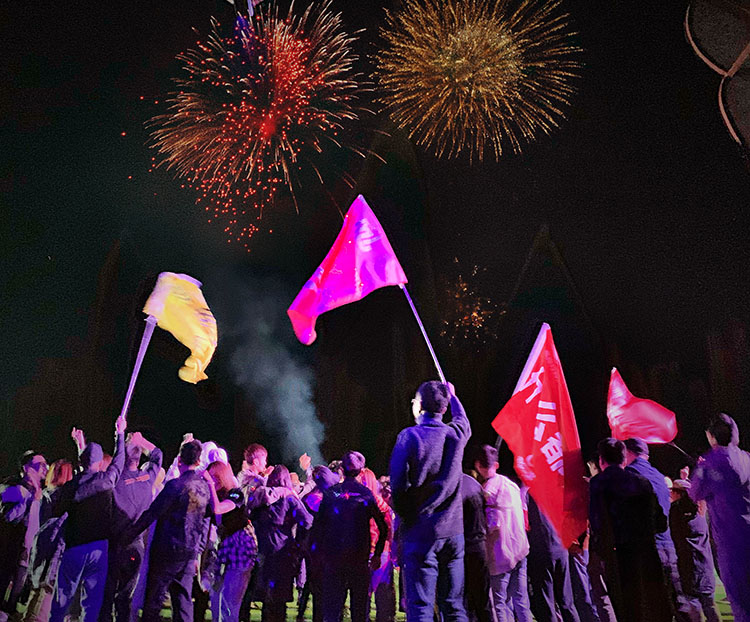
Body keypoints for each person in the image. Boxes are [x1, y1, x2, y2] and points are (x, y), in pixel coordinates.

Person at [389, 381, 471, 622]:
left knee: (420, 606)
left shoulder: (409, 436)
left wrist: (407, 521)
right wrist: (453, 397)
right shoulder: (454, 434)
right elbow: (463, 419)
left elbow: (398, 487)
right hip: (453, 533)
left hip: (422, 533)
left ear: (420, 406)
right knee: (454, 606)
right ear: (444, 408)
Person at [50, 415, 127, 622]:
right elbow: (119, 461)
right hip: (98, 549)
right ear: (101, 461)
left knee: (62, 600)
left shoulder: (71, 486)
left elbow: (58, 508)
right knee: (91, 604)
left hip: (74, 548)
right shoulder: (106, 481)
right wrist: (120, 434)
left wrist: (81, 450)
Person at [129, 439, 213, 622]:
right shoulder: (204, 488)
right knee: (183, 602)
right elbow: (206, 518)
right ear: (199, 462)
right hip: (189, 552)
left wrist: (128, 535)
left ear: (180, 460)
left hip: (167, 551)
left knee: (154, 601)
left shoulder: (175, 486)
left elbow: (152, 513)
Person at [588, 438, 671, 622]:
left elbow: (597, 522)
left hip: (618, 557)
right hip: (647, 554)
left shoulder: (598, 484)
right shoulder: (642, 482)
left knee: (625, 608)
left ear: (602, 460)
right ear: (624, 459)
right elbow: (660, 521)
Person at [624, 438, 701, 622]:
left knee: (653, 607)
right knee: (678, 601)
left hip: (647, 549)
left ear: (629, 453)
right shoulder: (659, 476)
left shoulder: (629, 475)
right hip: (667, 546)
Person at [312, 451, 387, 622]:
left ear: (341, 470)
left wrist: (317, 555)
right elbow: (382, 527)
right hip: (358, 561)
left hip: (333, 560)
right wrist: (376, 554)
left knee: (332, 611)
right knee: (359, 612)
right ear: (361, 471)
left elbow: (318, 527)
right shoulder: (366, 494)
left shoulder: (331, 494)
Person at [689, 413, 750, 622]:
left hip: (731, 544)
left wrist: (699, 468)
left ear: (711, 436)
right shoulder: (747, 458)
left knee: (741, 601)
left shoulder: (709, 463)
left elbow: (694, 493)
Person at [99, 431, 163, 622]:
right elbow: (157, 455)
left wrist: (128, 438)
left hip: (123, 544)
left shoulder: (136, 477)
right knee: (118, 595)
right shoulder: (133, 477)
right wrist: (139, 441)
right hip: (126, 543)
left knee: (115, 594)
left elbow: (157, 456)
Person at [474, 445, 531, 622]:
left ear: (477, 465)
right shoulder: (511, 485)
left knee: (499, 602)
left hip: (501, 554)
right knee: (521, 600)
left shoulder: (487, 492)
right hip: (520, 549)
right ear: (496, 465)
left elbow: (492, 524)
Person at [253, 465, 313, 622]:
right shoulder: (290, 498)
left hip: (263, 548)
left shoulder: (261, 498)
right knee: (280, 598)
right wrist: (298, 540)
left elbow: (251, 514)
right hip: (283, 551)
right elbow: (307, 521)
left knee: (266, 596)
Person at [204, 461, 258, 622]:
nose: (212, 480)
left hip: (241, 544)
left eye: (214, 476)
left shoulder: (236, 493)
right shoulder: (213, 497)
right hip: (225, 546)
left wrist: (210, 485)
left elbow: (219, 509)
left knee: (230, 600)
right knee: (215, 595)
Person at [0, 450, 48, 622]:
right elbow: (8, 517)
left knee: (13, 602)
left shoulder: (43, 495)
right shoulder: (15, 489)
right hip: (8, 551)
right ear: (27, 468)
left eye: (46, 465)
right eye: (39, 465)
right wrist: (30, 500)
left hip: (26, 554)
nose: (44, 469)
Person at [24, 459, 73, 622]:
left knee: (37, 585)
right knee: (48, 587)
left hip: (42, 541)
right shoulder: (65, 498)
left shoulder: (46, 494)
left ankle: (29, 616)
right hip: (56, 545)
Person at [668, 479, 719, 622]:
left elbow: (674, 534)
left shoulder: (677, 511)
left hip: (689, 566)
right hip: (706, 565)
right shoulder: (702, 510)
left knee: (695, 607)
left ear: (677, 493)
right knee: (709, 605)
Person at [525, 491, 580, 622]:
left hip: (542, 551)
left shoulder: (529, 494)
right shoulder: (553, 491)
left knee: (547, 602)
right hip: (560, 548)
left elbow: (526, 523)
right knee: (567, 601)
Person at [361, 466, 396, 622]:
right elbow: (390, 529)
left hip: (364, 551)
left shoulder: (357, 500)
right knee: (383, 597)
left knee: (363, 595)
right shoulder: (382, 504)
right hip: (382, 552)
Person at [460, 472, 493, 622]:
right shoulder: (474, 484)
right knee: (483, 602)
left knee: (466, 602)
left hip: (465, 548)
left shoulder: (454, 486)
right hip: (480, 546)